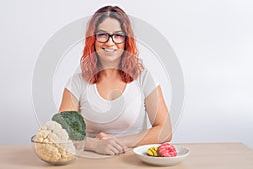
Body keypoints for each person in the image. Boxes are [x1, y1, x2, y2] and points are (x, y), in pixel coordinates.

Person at [59, 5, 172, 155]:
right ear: (93, 39)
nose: (110, 42)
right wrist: (94, 145)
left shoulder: (144, 78)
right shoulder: (77, 83)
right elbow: (61, 132)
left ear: (127, 40)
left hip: (133, 162)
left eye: (118, 35)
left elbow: (165, 131)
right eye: (102, 35)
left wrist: (119, 142)